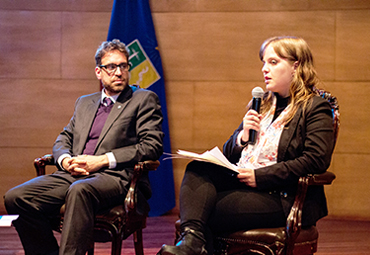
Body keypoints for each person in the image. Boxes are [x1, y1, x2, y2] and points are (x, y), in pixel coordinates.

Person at [158, 36, 335, 255]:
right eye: (263, 62)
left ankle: (192, 245)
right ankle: (193, 246)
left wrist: (260, 176)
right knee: (197, 169)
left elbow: (315, 160)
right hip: (244, 186)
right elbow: (230, 154)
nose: (264, 69)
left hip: (281, 196)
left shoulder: (315, 108)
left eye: (273, 62)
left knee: (199, 213)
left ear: (295, 66)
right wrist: (242, 137)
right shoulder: (261, 105)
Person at [4, 39, 164, 255]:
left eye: (123, 66)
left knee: (79, 190)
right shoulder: (85, 103)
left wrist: (103, 159)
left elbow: (151, 146)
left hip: (116, 177)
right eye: (111, 67)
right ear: (99, 72)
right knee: (16, 197)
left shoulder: (143, 99)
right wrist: (65, 160)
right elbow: (63, 138)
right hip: (75, 174)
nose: (118, 72)